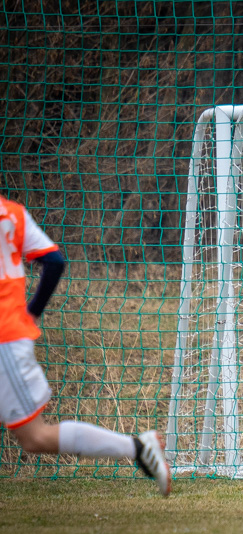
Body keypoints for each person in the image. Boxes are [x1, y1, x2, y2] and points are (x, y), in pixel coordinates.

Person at [0, 192, 171, 497]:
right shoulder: (12, 213)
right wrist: (32, 313)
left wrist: (26, 316)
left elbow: (54, 261)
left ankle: (138, 447)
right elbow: (53, 261)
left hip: (5, 340)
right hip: (11, 333)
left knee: (35, 437)